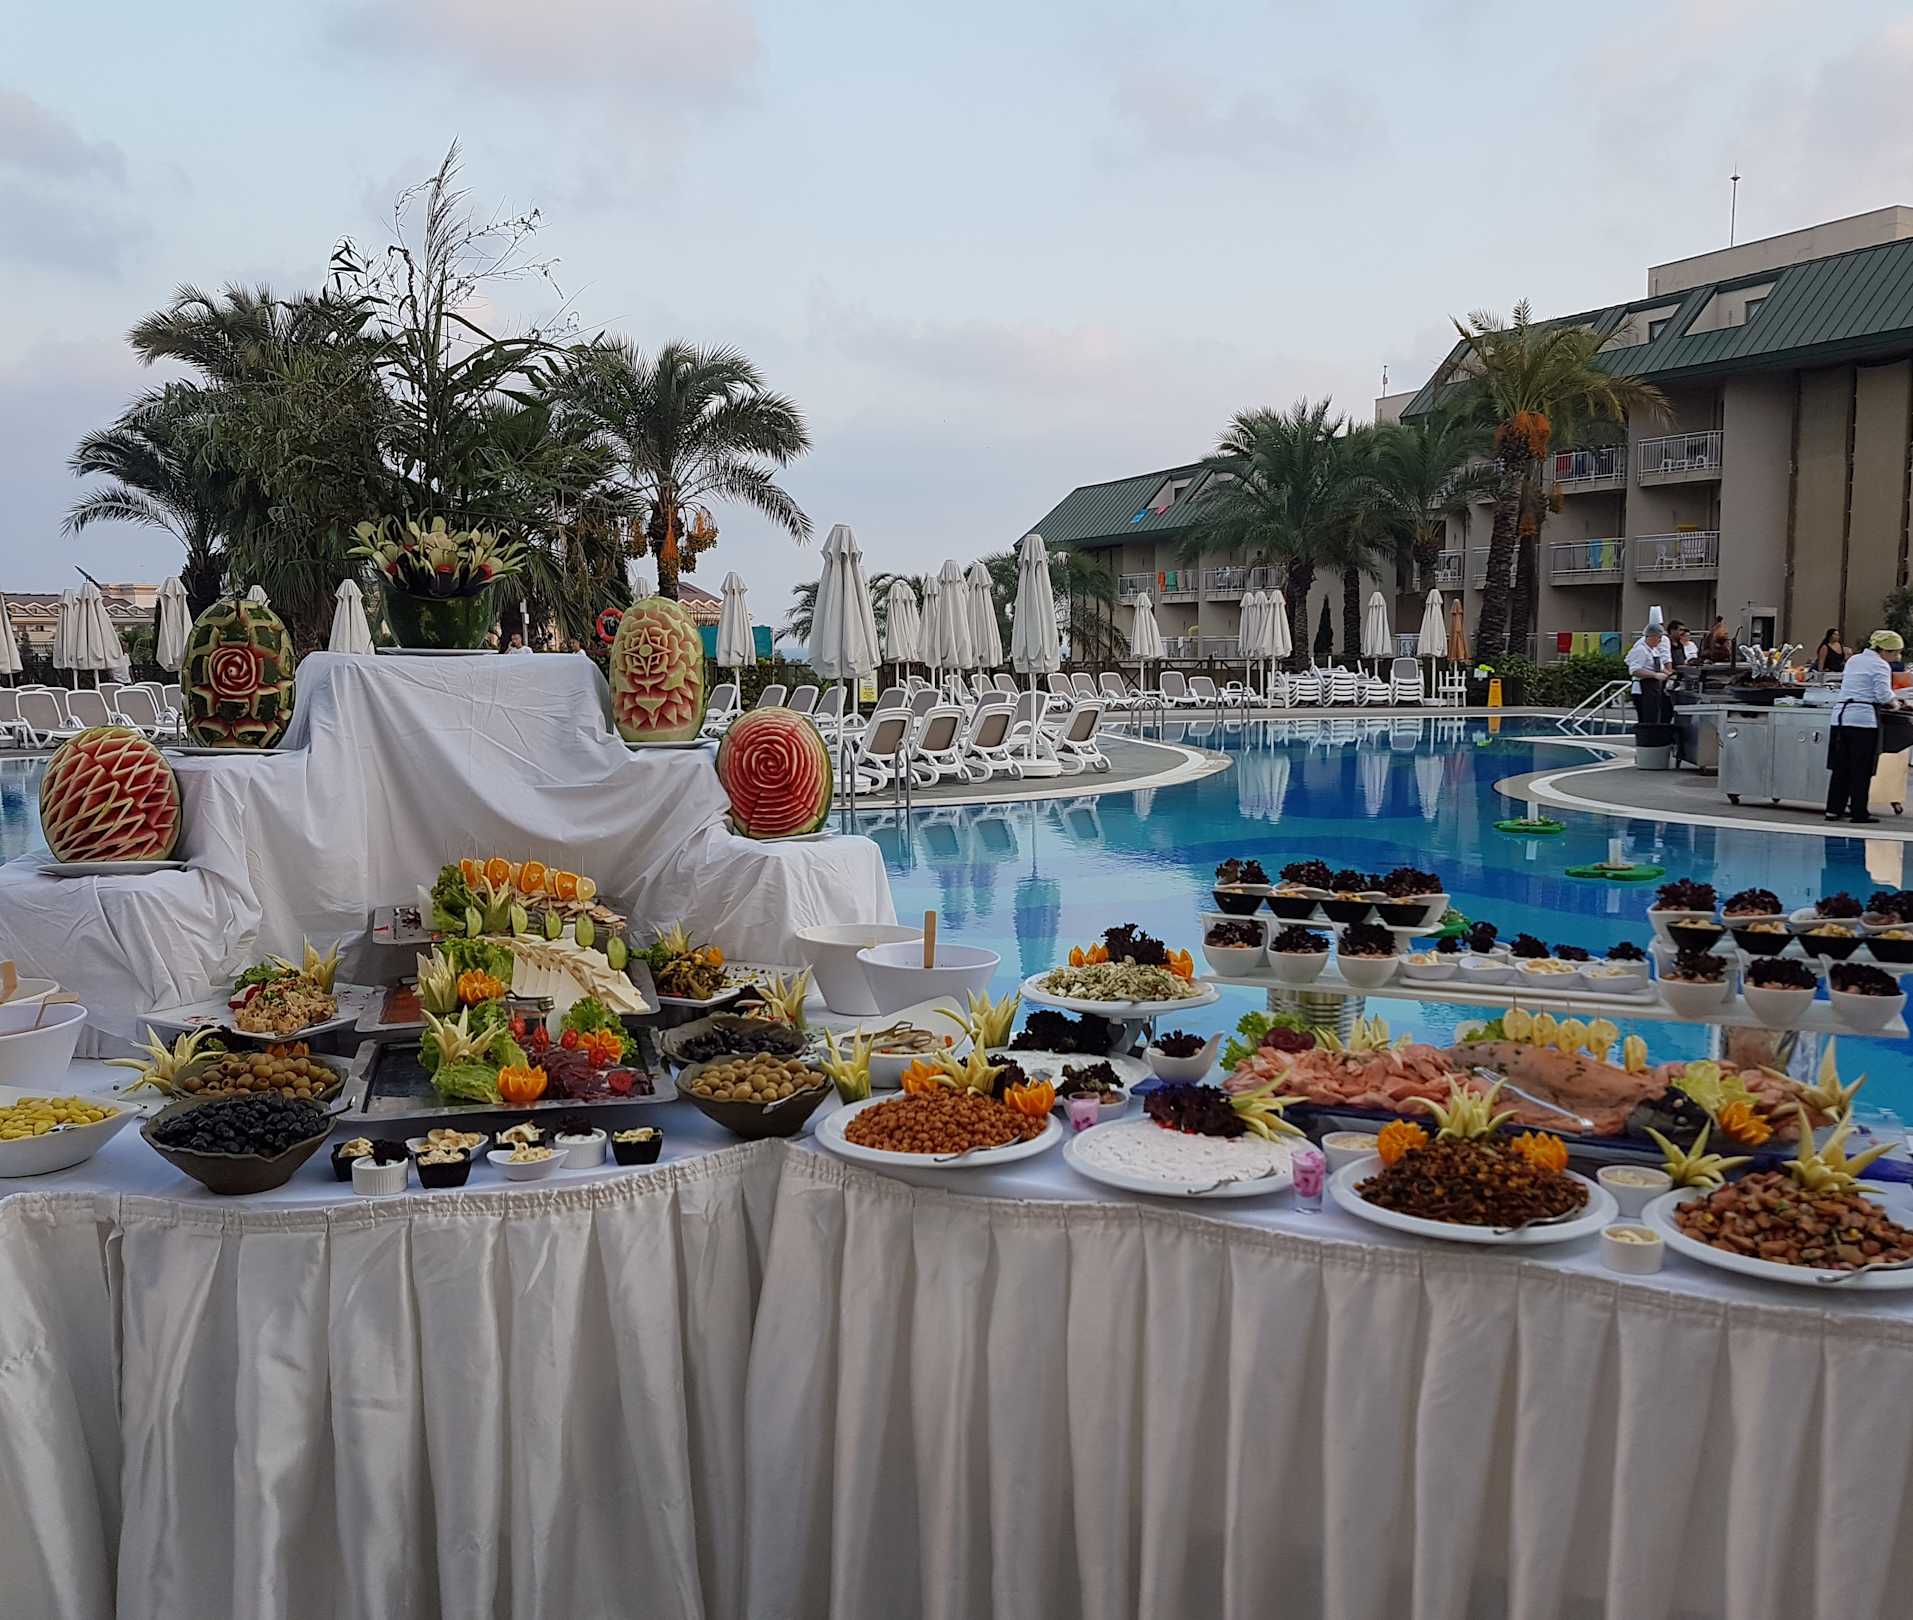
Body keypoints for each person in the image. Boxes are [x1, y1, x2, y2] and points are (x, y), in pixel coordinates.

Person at [1824, 630, 1905, 824]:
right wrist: (1896, 704)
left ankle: (1833, 810)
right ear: (1884, 650)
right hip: (1863, 721)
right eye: (1895, 652)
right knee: (1861, 769)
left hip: (1840, 718)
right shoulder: (1880, 665)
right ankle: (1859, 812)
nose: (1897, 656)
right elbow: (1883, 694)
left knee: (1840, 767)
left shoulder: (1854, 660)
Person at [1626, 622, 1674, 728]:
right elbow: (1634, 670)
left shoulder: (1654, 650)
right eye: (1659, 637)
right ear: (1652, 636)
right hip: (1643, 689)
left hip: (1654, 689)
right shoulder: (1641, 650)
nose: (1660, 640)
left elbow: (1661, 667)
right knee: (1647, 719)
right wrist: (1654, 675)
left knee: (1655, 716)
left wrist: (1670, 675)